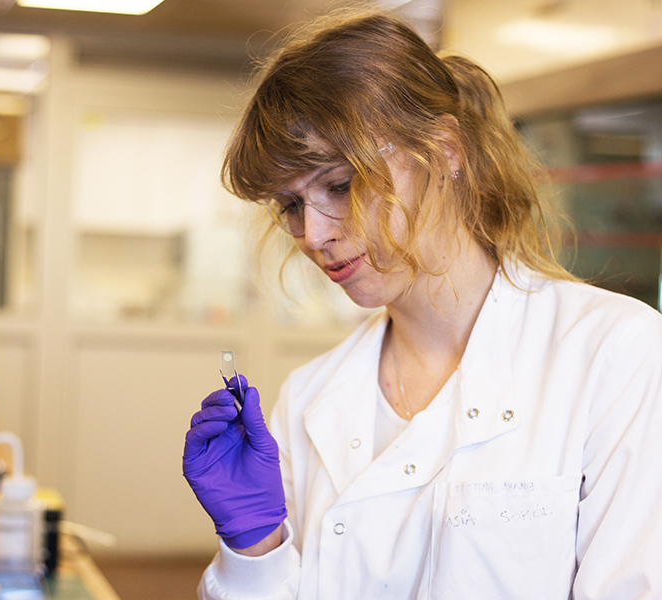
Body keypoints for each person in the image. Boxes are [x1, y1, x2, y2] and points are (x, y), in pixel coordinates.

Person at [182, 8, 662, 599]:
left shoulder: (616, 356)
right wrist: (254, 549)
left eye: (339, 185)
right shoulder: (309, 400)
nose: (313, 235)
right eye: (290, 206)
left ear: (444, 149)